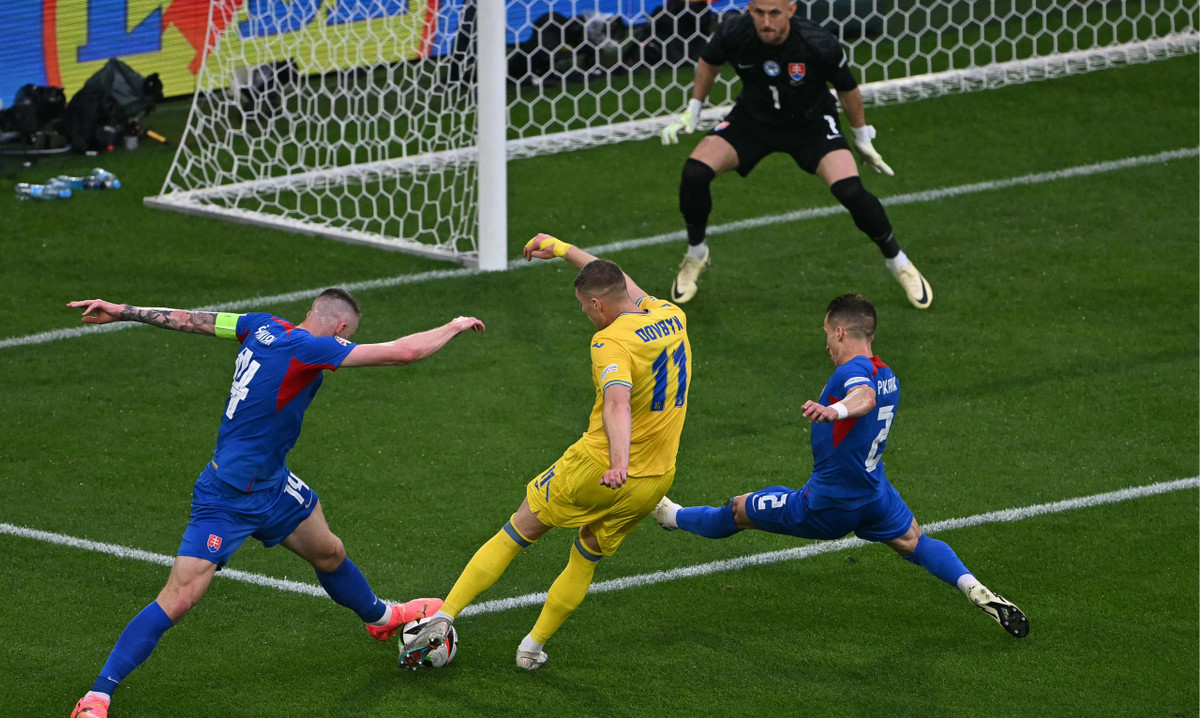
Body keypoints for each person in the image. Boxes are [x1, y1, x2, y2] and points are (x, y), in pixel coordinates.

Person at [66, 290, 485, 718]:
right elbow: (404, 352)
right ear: (341, 328)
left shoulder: (259, 324)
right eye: (349, 335)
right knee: (179, 599)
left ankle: (380, 619)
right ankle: (97, 696)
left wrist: (124, 311)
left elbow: (194, 319)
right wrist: (453, 326)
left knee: (329, 552)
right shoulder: (311, 348)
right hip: (226, 498)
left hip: (274, 484)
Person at [653, 293, 1027, 639]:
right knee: (915, 541)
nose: (826, 344)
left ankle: (670, 516)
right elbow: (871, 394)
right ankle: (972, 586)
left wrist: (836, 410)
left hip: (827, 505)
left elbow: (863, 396)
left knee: (738, 510)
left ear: (840, 332)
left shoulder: (853, 372)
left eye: (827, 334)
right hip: (874, 495)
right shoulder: (889, 376)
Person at [400, 233, 692, 670]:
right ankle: (531, 648)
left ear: (597, 304)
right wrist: (561, 249)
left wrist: (617, 462)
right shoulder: (670, 315)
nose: (583, 312)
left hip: (597, 468)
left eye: (583, 305)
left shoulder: (610, 342)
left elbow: (617, 403)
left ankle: (444, 616)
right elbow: (618, 278)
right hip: (654, 480)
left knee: (517, 531)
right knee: (587, 555)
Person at [660, 0, 932, 310]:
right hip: (753, 120)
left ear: (791, 10)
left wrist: (861, 137)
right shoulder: (734, 32)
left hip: (811, 124)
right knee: (694, 172)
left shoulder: (817, 42)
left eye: (774, 13)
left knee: (850, 191)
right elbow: (709, 62)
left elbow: (847, 88)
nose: (766, 21)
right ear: (750, 9)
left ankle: (899, 262)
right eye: (758, 12)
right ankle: (696, 255)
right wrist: (694, 110)